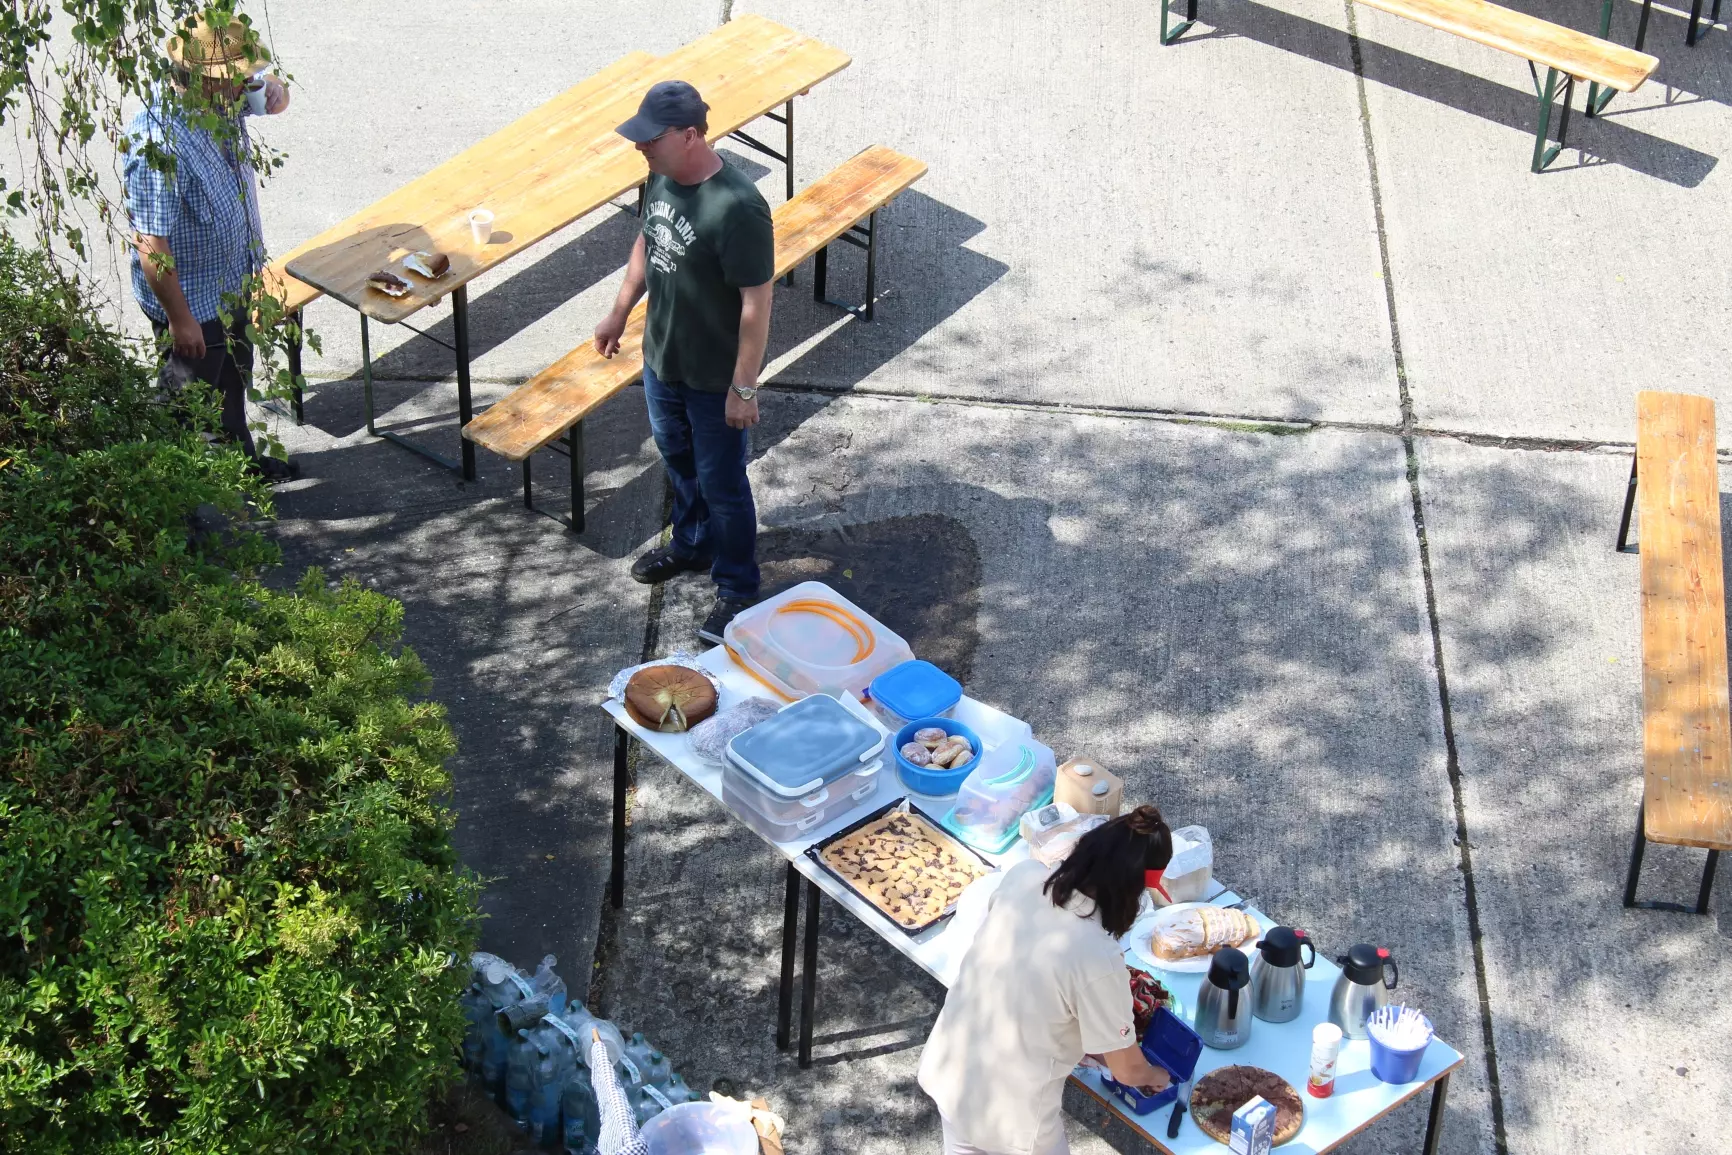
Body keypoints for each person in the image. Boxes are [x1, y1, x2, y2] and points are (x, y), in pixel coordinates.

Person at [598, 80, 775, 644]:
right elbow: (649, 242)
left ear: (691, 134)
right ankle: (692, 545)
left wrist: (743, 388)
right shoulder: (661, 174)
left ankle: (738, 587)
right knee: (678, 461)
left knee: (724, 484)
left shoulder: (739, 207)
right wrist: (619, 311)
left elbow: (757, 300)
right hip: (662, 362)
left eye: (651, 138)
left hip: (713, 379)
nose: (640, 147)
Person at [918, 806, 1177, 1155]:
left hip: (950, 1070)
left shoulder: (1024, 876)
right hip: (1012, 1119)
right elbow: (1127, 1070)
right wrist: (1154, 1076)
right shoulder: (1096, 956)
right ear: (1129, 891)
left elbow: (1029, 978)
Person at [123, 17, 293, 480]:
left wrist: (274, 90)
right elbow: (151, 245)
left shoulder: (218, 100)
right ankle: (177, 508)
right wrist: (181, 320)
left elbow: (272, 96)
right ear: (202, 81)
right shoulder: (157, 143)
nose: (245, 86)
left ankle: (243, 463)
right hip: (192, 305)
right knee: (183, 407)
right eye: (235, 80)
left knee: (236, 377)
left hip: (231, 283)